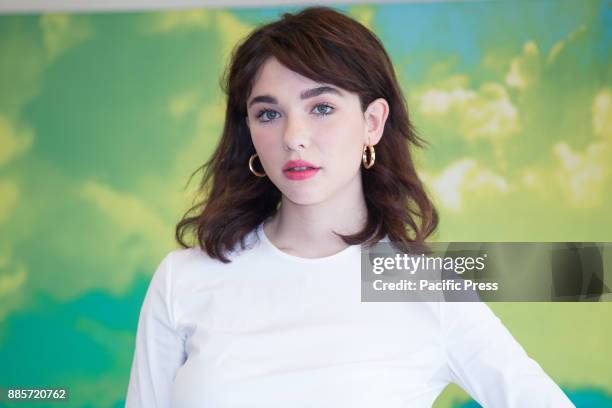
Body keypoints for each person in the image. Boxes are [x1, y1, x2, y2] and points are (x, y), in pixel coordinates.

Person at [125, 6, 574, 407]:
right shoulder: (184, 279)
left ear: (372, 122)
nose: (293, 136)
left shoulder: (427, 289)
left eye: (321, 108)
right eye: (268, 113)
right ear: (250, 131)